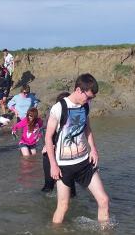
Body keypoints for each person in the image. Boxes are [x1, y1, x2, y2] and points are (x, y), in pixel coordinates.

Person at [44, 73, 109, 224]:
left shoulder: (85, 106)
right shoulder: (59, 108)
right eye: (89, 97)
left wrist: (93, 149)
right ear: (79, 90)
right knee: (63, 206)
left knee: (104, 200)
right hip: (63, 167)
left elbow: (87, 128)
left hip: (84, 163)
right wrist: (53, 165)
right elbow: (48, 137)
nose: (90, 100)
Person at [41, 92, 76, 197]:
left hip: (67, 155)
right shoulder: (54, 113)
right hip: (51, 154)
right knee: (49, 186)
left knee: (71, 190)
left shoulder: (74, 115)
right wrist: (48, 145)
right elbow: (47, 134)